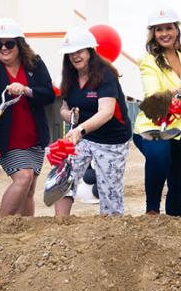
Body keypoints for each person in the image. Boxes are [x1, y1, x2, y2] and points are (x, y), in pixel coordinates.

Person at [0, 18, 55, 217]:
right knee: (23, 177)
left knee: (30, 188)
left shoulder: (35, 64)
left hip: (34, 136)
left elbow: (48, 94)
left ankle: (25, 230)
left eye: (9, 43)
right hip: (7, 138)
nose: (3, 48)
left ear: (19, 45)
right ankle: (1, 225)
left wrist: (26, 90)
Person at [131, 8, 181, 217]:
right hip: (154, 125)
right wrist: (172, 93)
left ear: (177, 30)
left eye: (169, 28)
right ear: (153, 33)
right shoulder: (148, 60)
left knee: (180, 183)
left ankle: (173, 221)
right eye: (159, 29)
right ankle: (152, 211)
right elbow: (152, 94)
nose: (164, 33)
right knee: (160, 156)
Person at [54, 27, 131, 217]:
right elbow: (63, 108)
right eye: (70, 53)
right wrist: (69, 115)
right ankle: (59, 224)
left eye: (79, 51)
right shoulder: (69, 77)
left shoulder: (105, 75)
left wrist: (80, 129)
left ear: (90, 51)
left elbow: (106, 112)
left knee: (109, 190)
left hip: (111, 140)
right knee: (64, 177)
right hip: (82, 136)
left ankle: (111, 230)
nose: (74, 56)